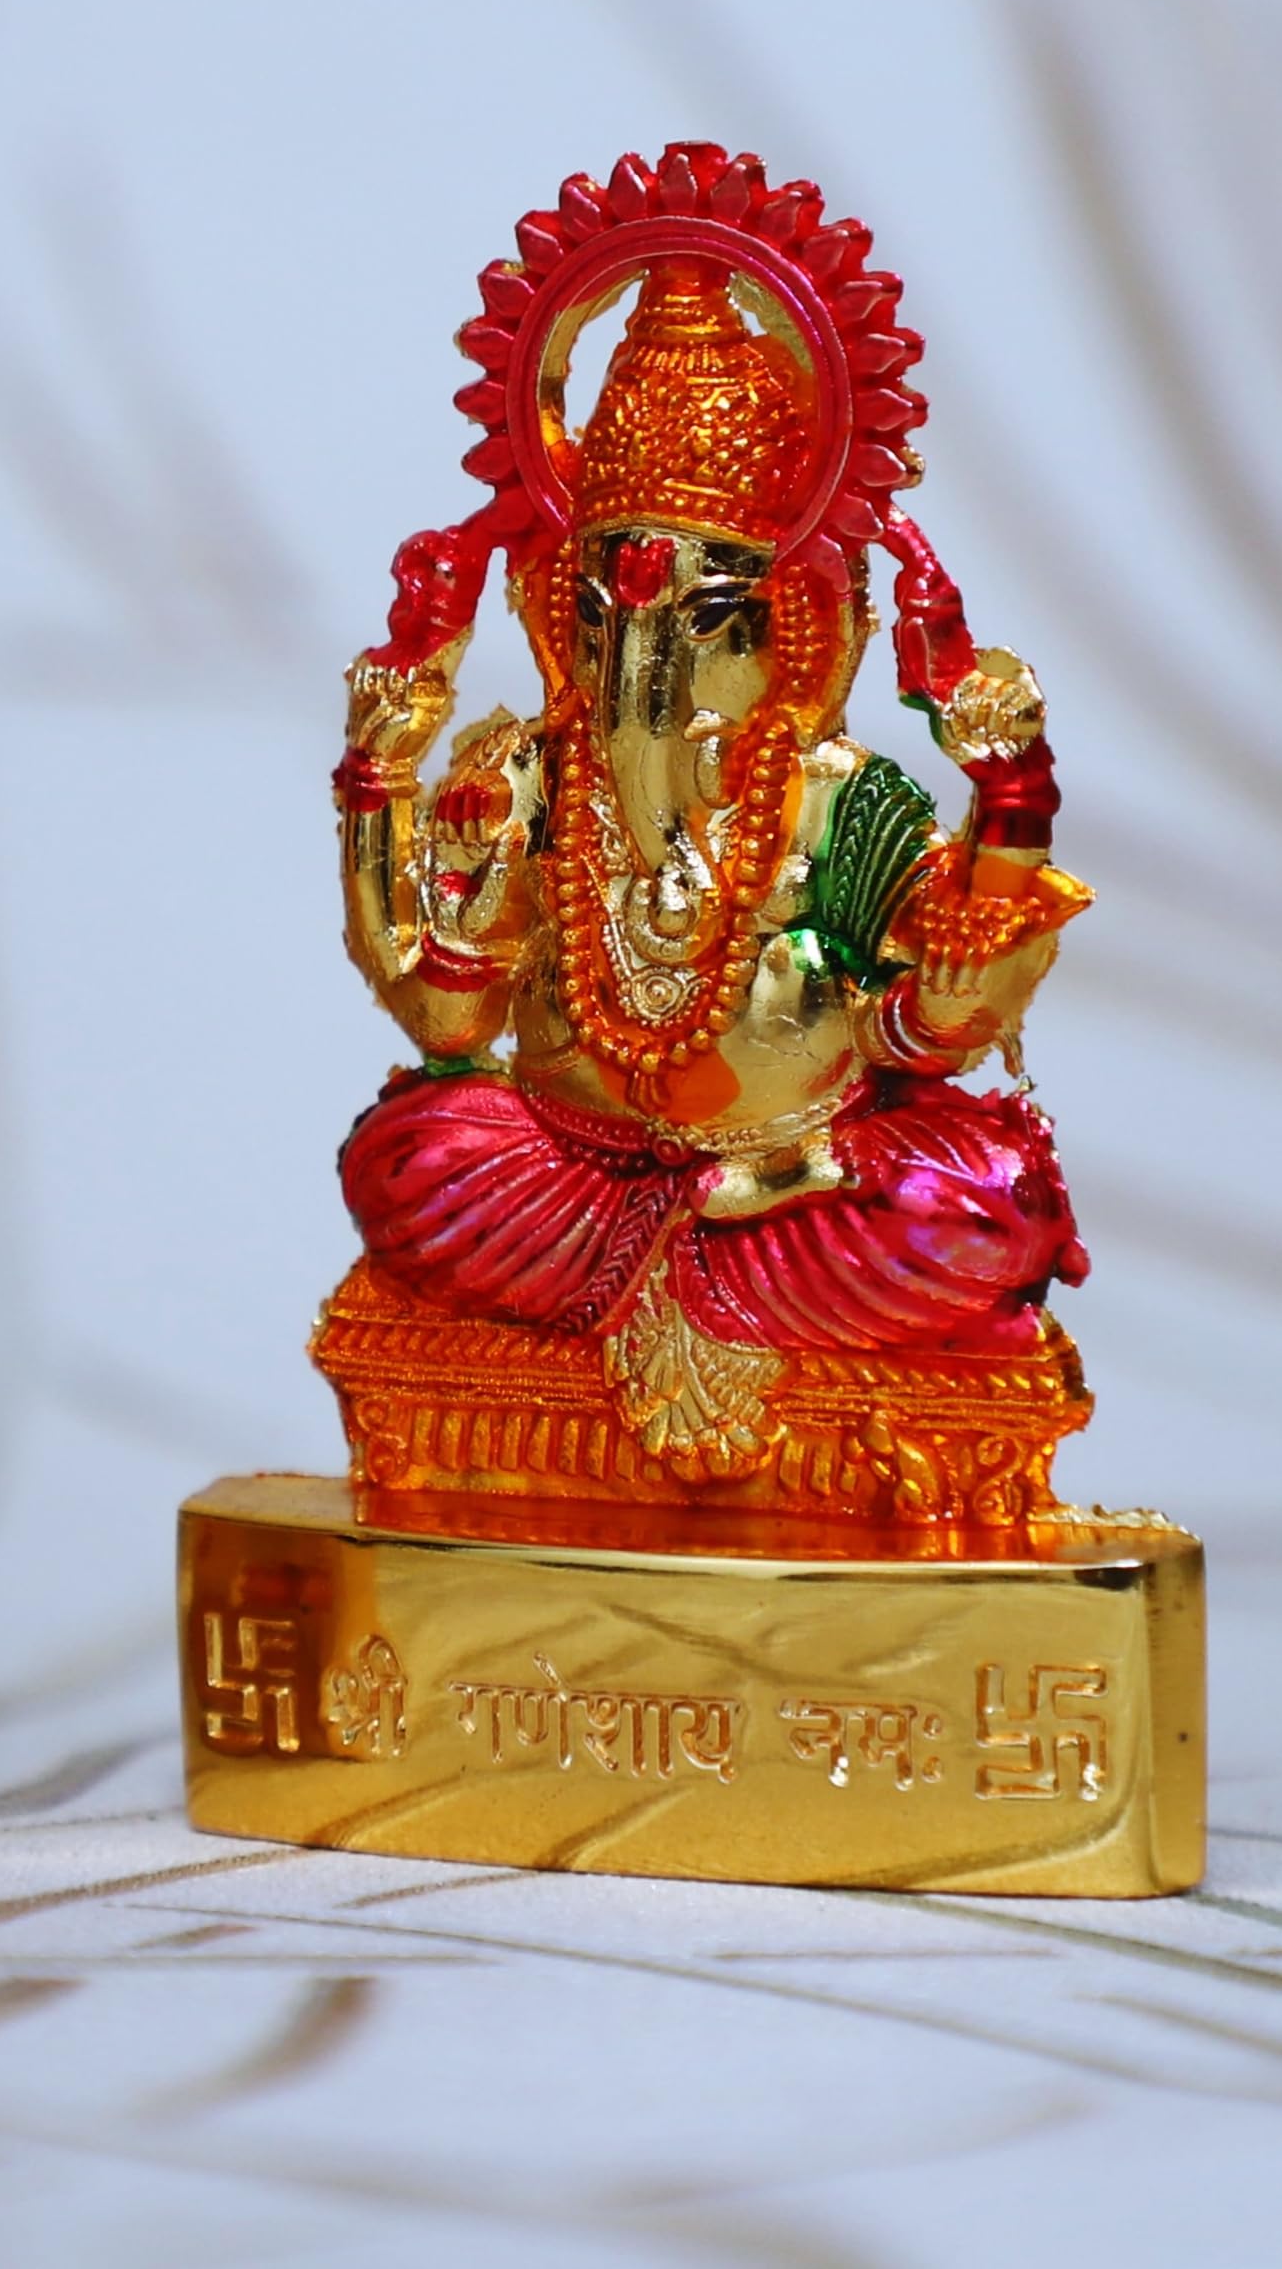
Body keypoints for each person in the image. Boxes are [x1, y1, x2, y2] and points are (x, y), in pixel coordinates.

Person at [333, 259, 1088, 1457]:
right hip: (574, 1171)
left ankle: (710, 1248)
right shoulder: (531, 776)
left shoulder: (836, 802)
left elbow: (925, 1035)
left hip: (806, 1171)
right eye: (604, 621)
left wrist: (998, 843)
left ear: (795, 628)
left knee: (986, 1204)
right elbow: (447, 1022)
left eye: (706, 621)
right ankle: (687, 1256)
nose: (646, 677)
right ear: (562, 617)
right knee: (408, 1161)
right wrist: (377, 787)